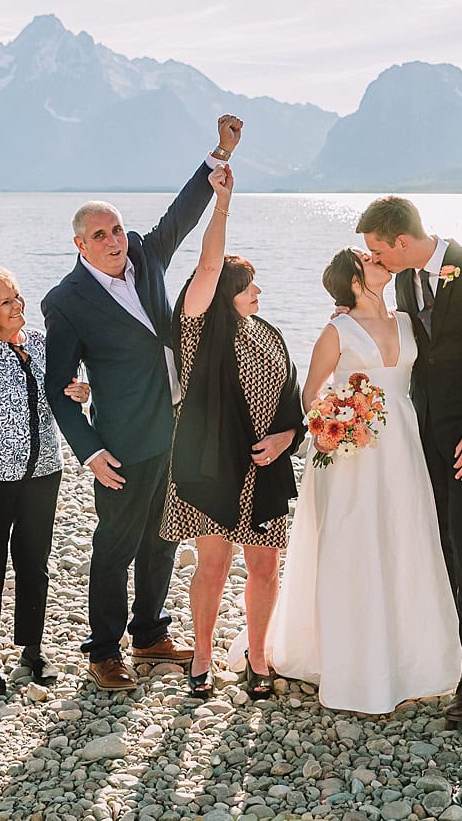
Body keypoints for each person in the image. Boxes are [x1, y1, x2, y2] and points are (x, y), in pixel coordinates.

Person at [43, 116, 243, 691]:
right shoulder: (67, 301)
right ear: (80, 244)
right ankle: (103, 650)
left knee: (164, 538)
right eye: (100, 235)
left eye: (118, 230)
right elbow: (59, 386)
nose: (114, 241)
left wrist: (219, 153)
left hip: (178, 429)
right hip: (124, 442)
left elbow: (185, 208)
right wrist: (89, 450)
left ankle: (150, 634)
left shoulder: (149, 256)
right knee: (114, 546)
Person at [269, 247, 462, 713]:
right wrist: (335, 418)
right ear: (354, 279)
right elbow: (311, 391)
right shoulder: (336, 330)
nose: (382, 260)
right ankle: (353, 663)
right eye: (370, 259)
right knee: (354, 544)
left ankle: (411, 658)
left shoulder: (407, 320)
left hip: (403, 447)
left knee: (405, 537)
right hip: (354, 452)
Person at [354, 193, 462, 723]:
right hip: (418, 435)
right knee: (431, 539)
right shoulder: (404, 279)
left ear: (402, 242)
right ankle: (439, 655)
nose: (376, 259)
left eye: (378, 250)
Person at [161, 164, 303, 700]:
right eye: (248, 286)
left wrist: (288, 438)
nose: (258, 291)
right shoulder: (200, 326)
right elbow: (207, 265)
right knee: (214, 563)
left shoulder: (269, 332)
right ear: (226, 291)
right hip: (212, 467)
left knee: (265, 565)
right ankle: (201, 655)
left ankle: (258, 657)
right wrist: (221, 205)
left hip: (265, 468)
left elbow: (291, 401)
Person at [0, 200, 90, 698]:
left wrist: (81, 390)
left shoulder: (39, 339)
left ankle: (32, 649)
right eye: (6, 301)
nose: (17, 306)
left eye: (18, 297)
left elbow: (64, 380)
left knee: (35, 560)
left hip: (42, 471)